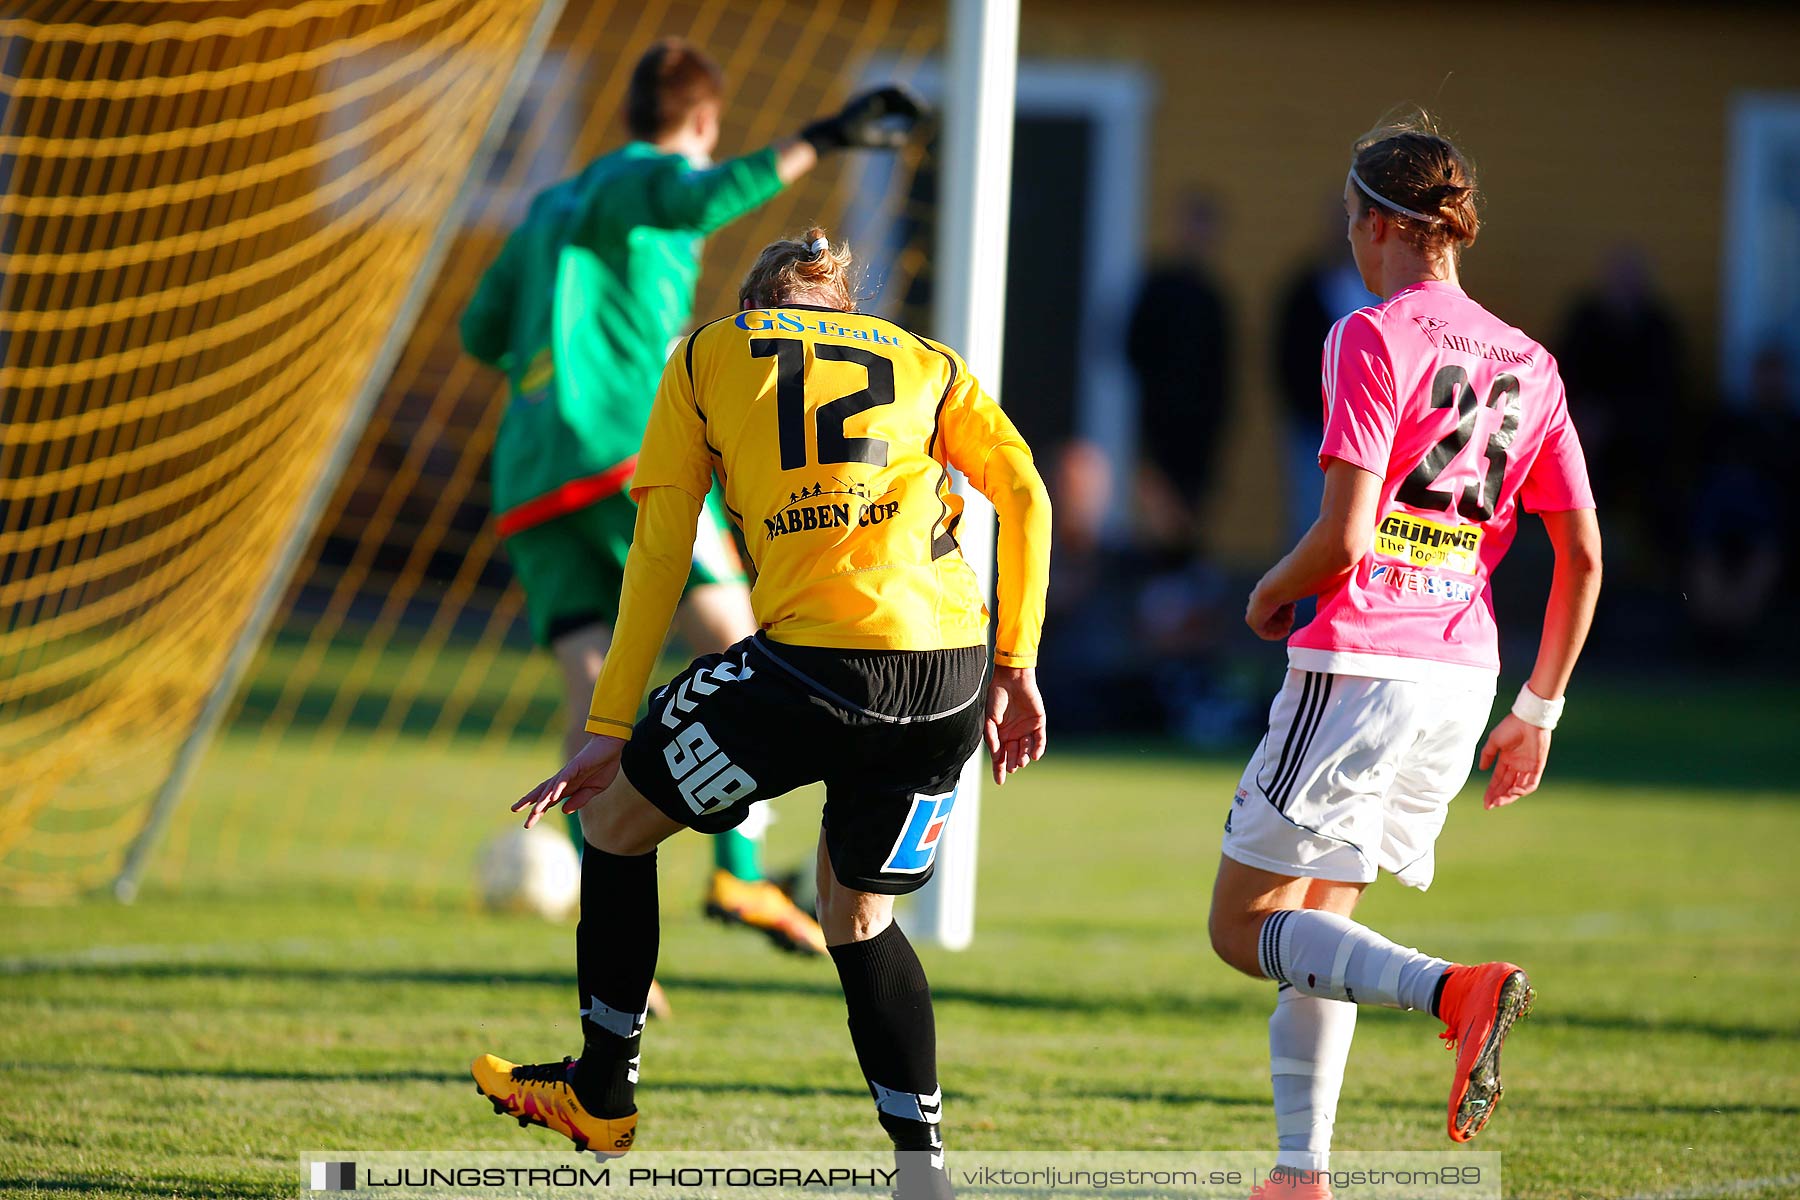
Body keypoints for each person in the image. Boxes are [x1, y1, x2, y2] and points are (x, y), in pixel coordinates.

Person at [471, 229, 1052, 1200]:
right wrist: (1017, 663)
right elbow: (1025, 493)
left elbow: (658, 554)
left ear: (755, 309)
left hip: (818, 670)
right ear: (844, 305)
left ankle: (601, 1096)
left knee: (614, 824)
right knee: (860, 917)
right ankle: (924, 1176)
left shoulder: (707, 355)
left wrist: (609, 731)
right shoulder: (925, 362)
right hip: (949, 676)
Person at [460, 39, 926, 970]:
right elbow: (702, 198)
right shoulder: (654, 181)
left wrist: (560, 358)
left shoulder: (550, 203)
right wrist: (825, 136)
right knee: (746, 644)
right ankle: (738, 872)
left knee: (593, 694)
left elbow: (479, 331)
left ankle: (607, 933)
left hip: (529, 474)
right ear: (704, 124)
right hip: (621, 456)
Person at [1207, 116, 1603, 1200]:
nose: (1348, 238)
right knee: (1321, 921)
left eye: (1350, 219)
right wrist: (1541, 709)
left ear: (1380, 222)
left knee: (1244, 928)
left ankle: (1451, 992)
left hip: (1361, 662)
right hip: (1461, 675)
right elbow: (1583, 555)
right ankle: (1302, 1171)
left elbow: (1341, 538)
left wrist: (1266, 590)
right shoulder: (1532, 361)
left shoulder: (1372, 335)